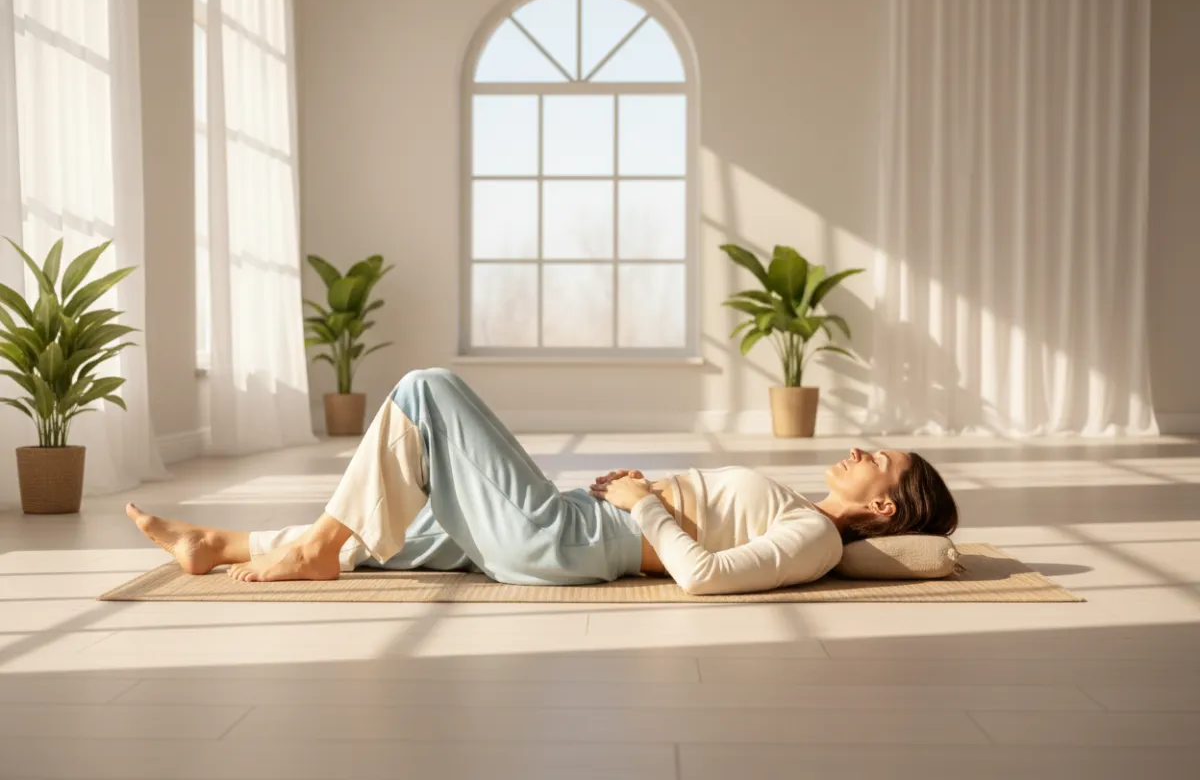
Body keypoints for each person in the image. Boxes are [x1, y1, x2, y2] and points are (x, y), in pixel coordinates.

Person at [127, 368, 958, 595]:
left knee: (426, 389)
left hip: (571, 541)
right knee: (396, 515)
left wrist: (647, 504)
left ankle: (310, 549)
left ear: (881, 505)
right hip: (570, 522)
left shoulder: (813, 538)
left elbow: (703, 579)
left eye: (877, 459)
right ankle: (220, 544)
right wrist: (645, 496)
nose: (859, 448)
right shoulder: (808, 515)